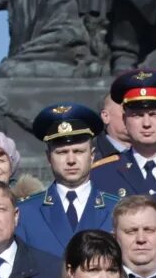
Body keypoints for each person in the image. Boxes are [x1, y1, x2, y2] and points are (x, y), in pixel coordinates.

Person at [15, 103, 121, 257]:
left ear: (92, 155)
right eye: (62, 152)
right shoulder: (25, 212)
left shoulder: (117, 209)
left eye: (78, 151)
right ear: (48, 157)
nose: (71, 160)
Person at [92, 69, 156, 201]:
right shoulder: (100, 174)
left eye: (154, 115)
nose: (146, 123)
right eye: (137, 115)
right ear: (125, 119)